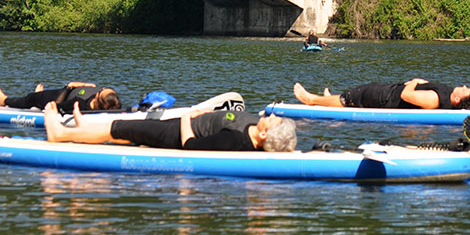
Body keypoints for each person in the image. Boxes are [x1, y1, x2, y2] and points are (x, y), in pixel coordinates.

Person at [43, 101, 297, 152]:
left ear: (264, 134)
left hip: (175, 134)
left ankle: (60, 133)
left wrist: (188, 116)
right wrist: (207, 113)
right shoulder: (254, 127)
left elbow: (190, 145)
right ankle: (82, 131)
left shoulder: (234, 141)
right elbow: (229, 117)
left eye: (274, 120)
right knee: (127, 138)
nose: (273, 116)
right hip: (184, 124)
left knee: (120, 128)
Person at [293, 78, 470, 110]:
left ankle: (311, 100)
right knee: (355, 94)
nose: (464, 85)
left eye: (466, 90)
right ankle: (327, 99)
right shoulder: (446, 94)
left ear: (458, 99)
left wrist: (415, 82)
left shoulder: (434, 100)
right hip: (389, 92)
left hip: (387, 99)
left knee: (354, 98)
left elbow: (407, 96)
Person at [0, 81, 121, 114]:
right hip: (76, 91)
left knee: (30, 99)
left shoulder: (78, 104)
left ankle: (3, 100)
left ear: (98, 98)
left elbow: (54, 106)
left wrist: (69, 86)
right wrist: (85, 85)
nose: (102, 89)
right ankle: (38, 95)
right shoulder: (113, 103)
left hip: (61, 96)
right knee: (38, 96)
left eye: (102, 91)